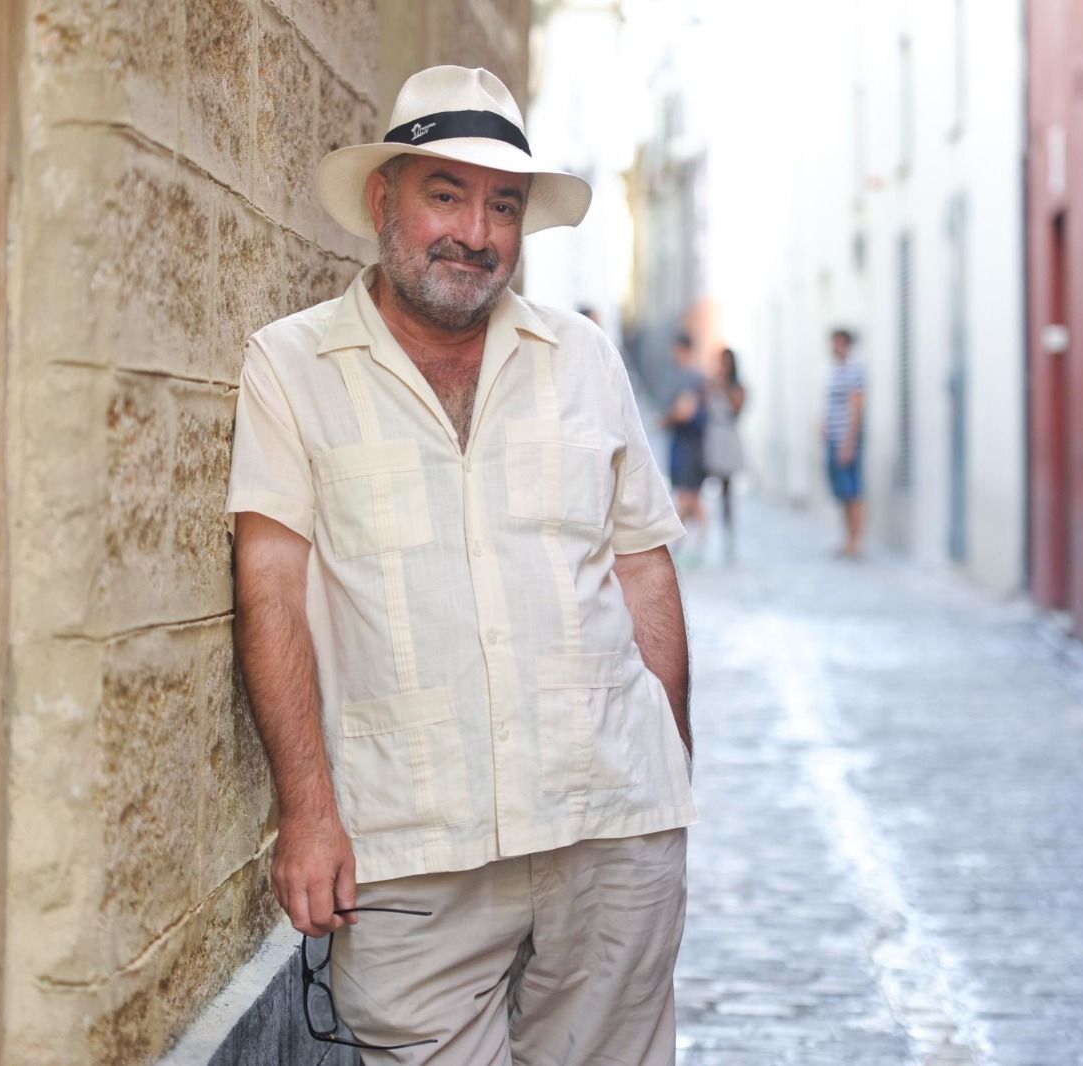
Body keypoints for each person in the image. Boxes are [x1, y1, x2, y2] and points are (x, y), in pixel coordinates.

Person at [223, 66, 695, 1065]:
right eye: (446, 194)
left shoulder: (583, 359)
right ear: (382, 201)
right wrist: (306, 811)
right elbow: (269, 587)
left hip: (605, 825)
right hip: (408, 847)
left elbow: (642, 569)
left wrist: (668, 768)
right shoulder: (293, 367)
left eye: (503, 206)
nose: (475, 232)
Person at [662, 332, 709, 557]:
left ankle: (682, 542)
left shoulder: (695, 378)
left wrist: (674, 415)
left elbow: (686, 412)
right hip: (681, 442)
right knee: (689, 496)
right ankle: (694, 540)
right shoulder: (678, 376)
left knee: (688, 496)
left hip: (691, 444)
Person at [824, 327, 865, 557]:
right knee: (842, 492)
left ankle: (855, 541)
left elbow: (857, 406)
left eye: (836, 343)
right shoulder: (836, 371)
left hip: (846, 441)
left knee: (853, 491)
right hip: (835, 439)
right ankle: (847, 539)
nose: (833, 347)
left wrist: (849, 442)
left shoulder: (854, 370)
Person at [703, 347, 747, 560]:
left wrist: (724, 387)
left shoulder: (736, 387)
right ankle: (705, 532)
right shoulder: (710, 383)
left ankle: (728, 536)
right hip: (713, 438)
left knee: (727, 490)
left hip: (727, 439)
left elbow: (738, 409)